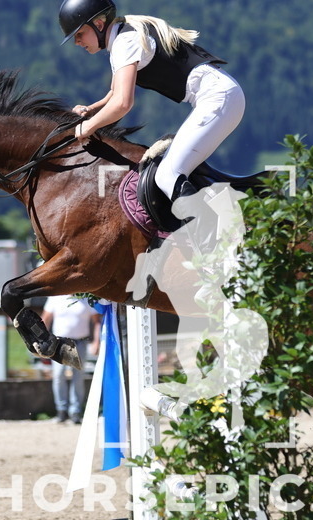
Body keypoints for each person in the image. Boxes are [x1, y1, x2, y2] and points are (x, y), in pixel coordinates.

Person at [59, 0, 245, 301]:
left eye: (79, 34)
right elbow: (113, 94)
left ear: (99, 24)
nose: (77, 42)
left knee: (168, 174)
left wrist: (87, 128)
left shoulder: (124, 42)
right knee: (170, 172)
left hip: (218, 99)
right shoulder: (122, 38)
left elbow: (123, 103)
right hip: (220, 97)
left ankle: (218, 257)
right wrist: (90, 110)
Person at [42, 295, 100, 423]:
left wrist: (97, 341)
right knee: (58, 375)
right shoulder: (55, 298)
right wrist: (43, 341)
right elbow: (45, 319)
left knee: (78, 377)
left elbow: (97, 321)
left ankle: (75, 412)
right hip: (59, 343)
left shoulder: (85, 298)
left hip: (80, 342)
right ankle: (61, 410)